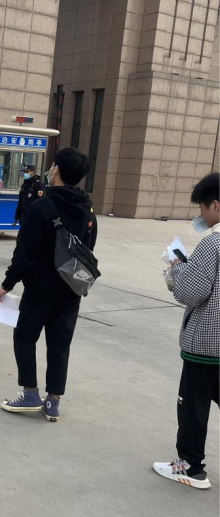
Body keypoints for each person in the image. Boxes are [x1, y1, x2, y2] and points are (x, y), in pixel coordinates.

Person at [0, 147, 97, 421]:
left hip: (40, 289)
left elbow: (24, 253)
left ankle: (30, 393)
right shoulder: (88, 210)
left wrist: (7, 284)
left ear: (57, 170)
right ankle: (53, 401)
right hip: (71, 290)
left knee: (25, 337)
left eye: (52, 166)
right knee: (60, 344)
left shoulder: (42, 206)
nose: (50, 170)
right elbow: (88, 250)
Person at [153, 173, 219, 490]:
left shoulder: (212, 244)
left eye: (202, 208)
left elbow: (191, 292)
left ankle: (191, 467)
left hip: (207, 343)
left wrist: (178, 268)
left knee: (193, 404)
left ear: (215, 205)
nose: (201, 215)